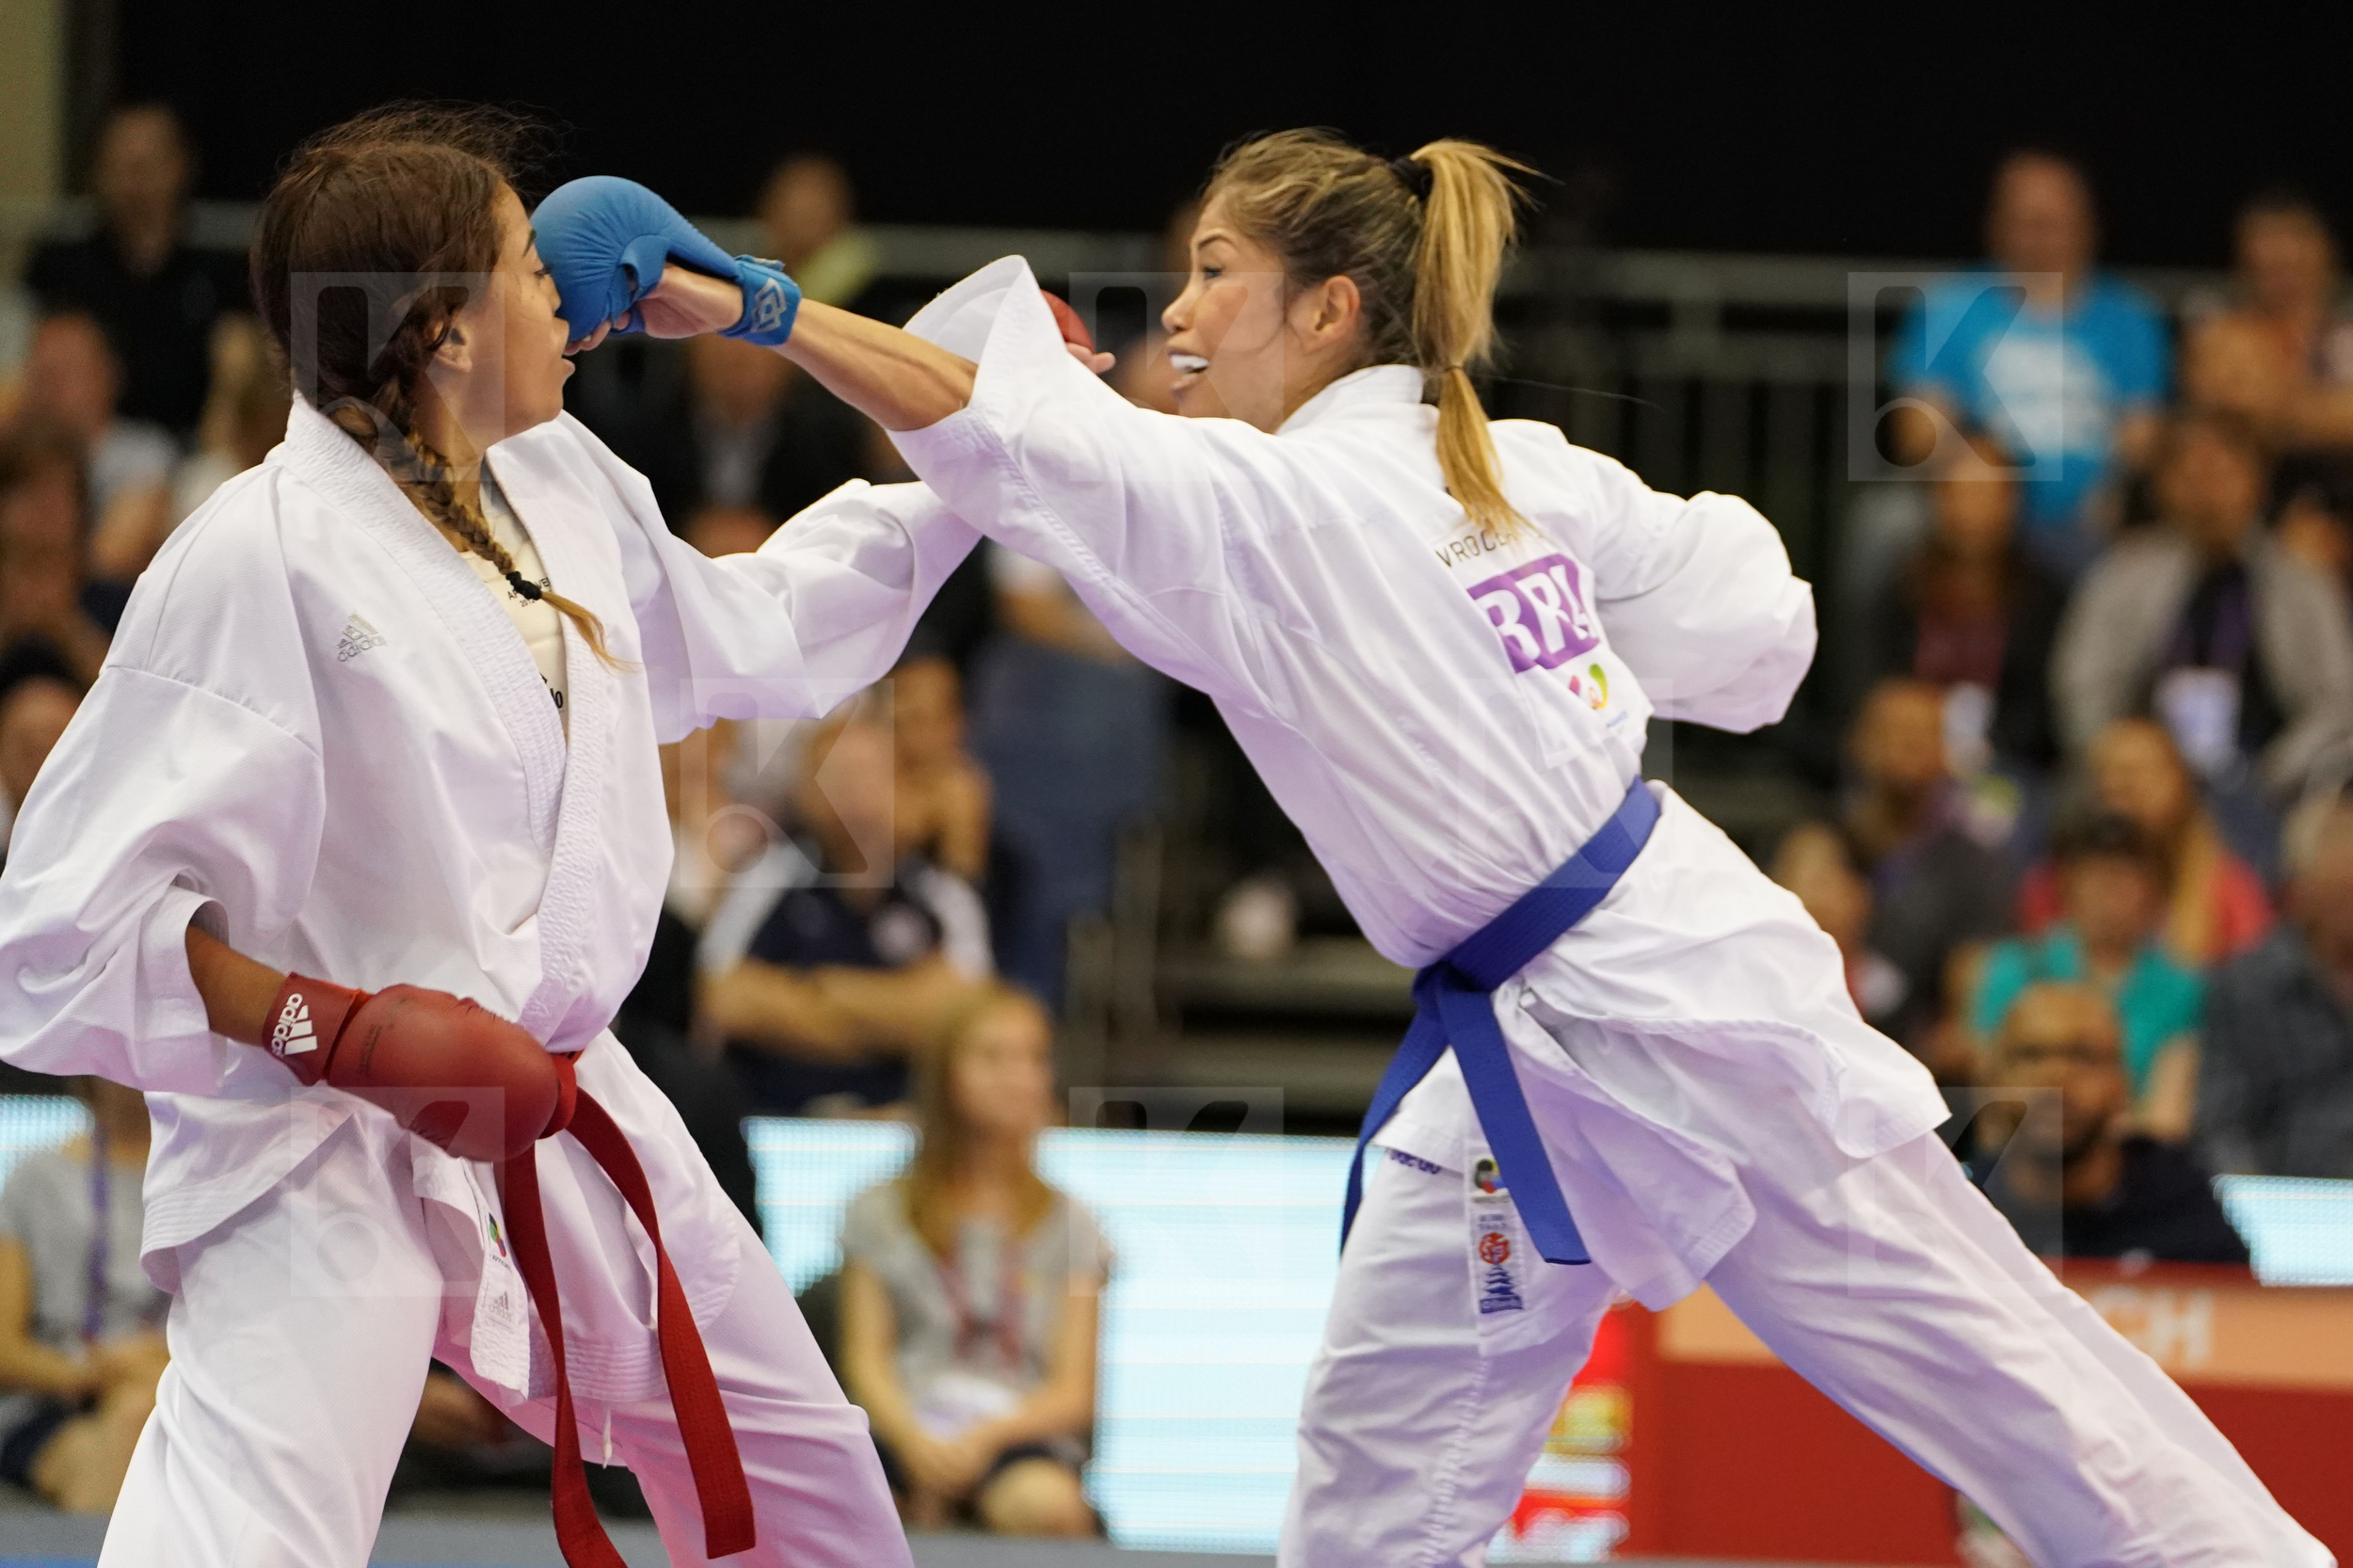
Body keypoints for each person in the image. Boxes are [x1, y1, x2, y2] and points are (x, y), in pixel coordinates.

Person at [542, 131, 2327, 1566]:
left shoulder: (1315, 494)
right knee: (1375, 1483)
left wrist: (758, 304)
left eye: (1214, 275)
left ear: (1326, 310)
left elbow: (1031, 439)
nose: (1179, 313)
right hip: (1514, 1049)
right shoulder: (1500, 471)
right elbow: (1759, 621)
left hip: (1678, 1015)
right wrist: (1597, 636)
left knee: (2005, 1378)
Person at [0, 106, 987, 1568]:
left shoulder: (558, 483)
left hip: (558, 1092)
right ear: (444, 332)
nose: (575, 293)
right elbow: (61, 924)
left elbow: (762, 623)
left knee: (811, 1488)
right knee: (245, 1537)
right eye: (529, 267)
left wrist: (979, 454)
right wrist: (335, 1029)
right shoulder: (256, 554)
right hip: (320, 1132)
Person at [837, 986, 1106, 1536]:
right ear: (945, 1075)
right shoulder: (878, 1211)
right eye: (994, 1057)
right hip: (903, 1430)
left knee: (1048, 1508)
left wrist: (982, 1441)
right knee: (842, 1509)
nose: (1020, 1077)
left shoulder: (1075, 1224)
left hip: (1017, 1439)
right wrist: (915, 1442)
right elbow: (865, 1363)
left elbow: (1074, 1393)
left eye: (1033, 1058)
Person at [1884, 151, 2169, 578]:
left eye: (2054, 222)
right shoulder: (1951, 306)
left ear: (2087, 226)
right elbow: (1916, 431)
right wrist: (1973, 479)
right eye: (2026, 221)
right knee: (1884, 530)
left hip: (2087, 512)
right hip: (1968, 498)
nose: (2040, 237)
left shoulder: (2129, 318)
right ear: (1995, 225)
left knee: (2136, 557)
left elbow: (2142, 440)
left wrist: (2116, 494)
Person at [697, 705, 992, 1116]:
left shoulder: (943, 895)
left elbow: (966, 1018)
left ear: (904, 785)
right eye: (836, 776)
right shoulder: (767, 876)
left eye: (868, 774)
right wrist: (897, 1015)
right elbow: (721, 999)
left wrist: (825, 989)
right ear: (806, 792)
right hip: (774, 1120)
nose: (854, 792)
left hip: (905, 1128)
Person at [2055, 407, 2353, 805]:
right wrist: (2130, 768)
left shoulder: (2300, 585)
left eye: (2223, 476)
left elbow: (2337, 704)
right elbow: (2082, 686)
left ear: (2257, 483)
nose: (2208, 496)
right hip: (2142, 784)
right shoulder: (2123, 576)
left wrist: (2272, 774)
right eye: (2192, 478)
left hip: (2275, 785)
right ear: (2163, 488)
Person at [1971, 983, 2249, 1265]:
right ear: (1992, 1079)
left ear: (2123, 1085)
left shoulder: (2185, 1211)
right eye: (2031, 1055)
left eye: (2083, 1056)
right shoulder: (1957, 1205)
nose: (2055, 1076)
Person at [1973, 813, 2204, 1143]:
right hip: (2020, 1157)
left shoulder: (2184, 989)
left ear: (2156, 891)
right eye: (2096, 875)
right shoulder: (2013, 969)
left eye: (2127, 877)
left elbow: (2167, 1119)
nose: (2110, 892)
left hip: (2131, 1165)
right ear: (2068, 883)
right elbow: (1990, 1102)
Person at [0, 1076, 171, 1512]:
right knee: (135, 1420)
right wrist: (98, 1372)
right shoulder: (35, 1179)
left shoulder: (207, 1181)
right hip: (57, 1401)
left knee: (141, 1413)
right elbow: (5, 1351)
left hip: (173, 1388)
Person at [25, 104, 248, 437]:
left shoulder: (221, 269)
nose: (134, 181)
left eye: (147, 165)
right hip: (83, 445)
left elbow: (241, 373)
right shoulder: (59, 265)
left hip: (191, 447)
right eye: (120, 166)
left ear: (182, 166)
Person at [1865, 442, 2065, 773]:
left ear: (2013, 502)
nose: (1975, 509)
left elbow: (2043, 709)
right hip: (1905, 758)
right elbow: (1873, 683)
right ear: (1937, 500)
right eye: (1963, 493)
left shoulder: (2045, 597)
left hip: (2007, 763)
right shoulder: (1899, 589)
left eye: (1989, 494)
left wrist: (1980, 749)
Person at [1840, 680, 2013, 1049]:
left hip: (1916, 1053)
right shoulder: (1823, 844)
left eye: (1925, 734)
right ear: (1860, 742)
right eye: (1896, 732)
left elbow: (1970, 989)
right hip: (1823, 1029)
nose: (1910, 746)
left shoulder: (1975, 865)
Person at [2016, 718, 2274, 968]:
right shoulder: (2054, 884)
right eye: (2108, 773)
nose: (2123, 786)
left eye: (2142, 772)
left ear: (2182, 782)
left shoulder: (2229, 890)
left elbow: (2253, 983)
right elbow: (2033, 970)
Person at [2198, 792, 2353, 1178]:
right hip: (2292, 1205)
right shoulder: (2246, 987)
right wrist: (2256, 1214)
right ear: (2298, 896)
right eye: (2339, 897)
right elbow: (2222, 1129)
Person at [619, 330, 870, 535]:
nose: (736, 358)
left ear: (792, 361)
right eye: (722, 341)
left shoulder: (831, 435)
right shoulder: (644, 429)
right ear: (690, 350)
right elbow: (629, 521)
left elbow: (843, 523)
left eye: (754, 345)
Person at [14, 312, 179, 588]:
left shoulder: (143, 452)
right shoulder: (13, 451)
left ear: (107, 376)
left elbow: (114, 556)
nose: (50, 387)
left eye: (65, 371)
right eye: (41, 373)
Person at [0, 419, 113, 684]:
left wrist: (65, 626)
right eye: (30, 492)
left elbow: (132, 700)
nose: (47, 510)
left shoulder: (116, 601)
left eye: (60, 494)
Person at [169, 314, 289, 526]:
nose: (241, 401)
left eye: (256, 380)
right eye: (225, 385)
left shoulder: (301, 490)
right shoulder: (203, 488)